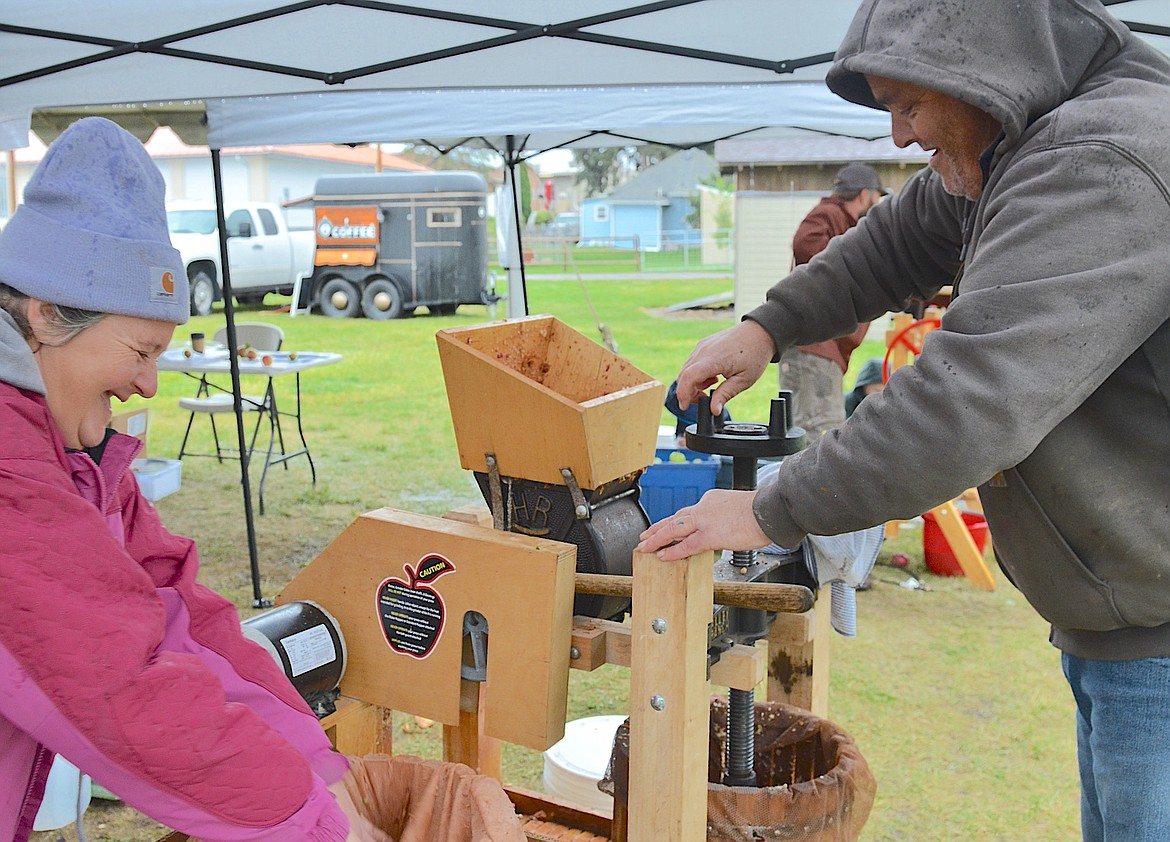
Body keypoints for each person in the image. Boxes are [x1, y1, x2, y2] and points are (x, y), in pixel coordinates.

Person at [637, 1, 1170, 839]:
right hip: (1130, 623)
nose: (898, 136)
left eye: (909, 104)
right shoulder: (1021, 141)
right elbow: (899, 238)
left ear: (986, 73)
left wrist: (770, 507)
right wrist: (766, 326)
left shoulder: (1099, 161)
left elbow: (971, 397)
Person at [0, 118, 388, 841]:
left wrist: (316, 769)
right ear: (46, 315)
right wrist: (313, 826)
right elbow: (120, 685)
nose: (149, 384)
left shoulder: (75, 452)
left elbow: (181, 622)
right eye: (141, 350)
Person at [780, 163, 886, 438]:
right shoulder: (830, 214)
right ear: (864, 195)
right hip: (814, 350)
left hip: (820, 351)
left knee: (816, 434)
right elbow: (804, 243)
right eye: (876, 197)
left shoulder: (844, 225)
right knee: (818, 435)